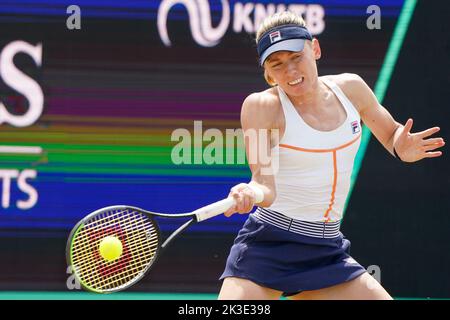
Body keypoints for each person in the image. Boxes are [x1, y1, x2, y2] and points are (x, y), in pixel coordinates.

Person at [217, 11, 445, 300]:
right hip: (268, 246)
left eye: (296, 57)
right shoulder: (260, 106)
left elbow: (390, 134)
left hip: (326, 250)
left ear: (315, 49)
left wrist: (403, 146)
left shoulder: (352, 88)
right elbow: (265, 186)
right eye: (277, 64)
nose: (289, 71)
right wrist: (248, 190)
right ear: (268, 74)